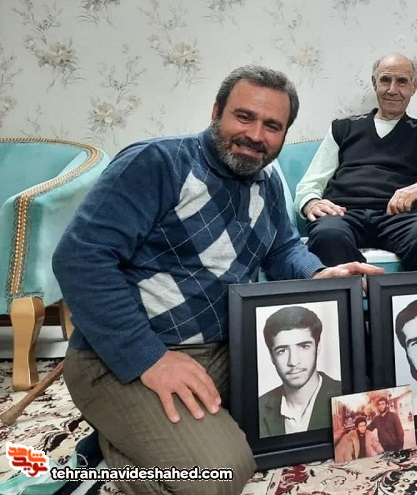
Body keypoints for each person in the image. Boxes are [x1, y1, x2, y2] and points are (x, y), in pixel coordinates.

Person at [51, 65, 383, 495]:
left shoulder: (268, 179)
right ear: (216, 112)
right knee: (220, 475)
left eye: (272, 126)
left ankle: (135, 430)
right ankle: (112, 447)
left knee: (319, 418)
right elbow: (80, 259)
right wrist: (150, 359)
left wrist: (319, 273)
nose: (255, 135)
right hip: (129, 355)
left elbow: (282, 248)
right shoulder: (157, 163)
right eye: (244, 117)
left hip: (227, 349)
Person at [294, 52, 417, 271]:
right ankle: (362, 294)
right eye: (385, 80)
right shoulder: (343, 128)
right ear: (374, 83)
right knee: (327, 235)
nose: (392, 89)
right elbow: (310, 182)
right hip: (343, 213)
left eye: (402, 81)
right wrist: (310, 202)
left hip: (399, 216)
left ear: (414, 86)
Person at [258, 305, 341, 437]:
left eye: (304, 346)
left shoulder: (345, 395)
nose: (293, 361)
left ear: (318, 348)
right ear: (272, 357)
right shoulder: (257, 408)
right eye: (282, 351)